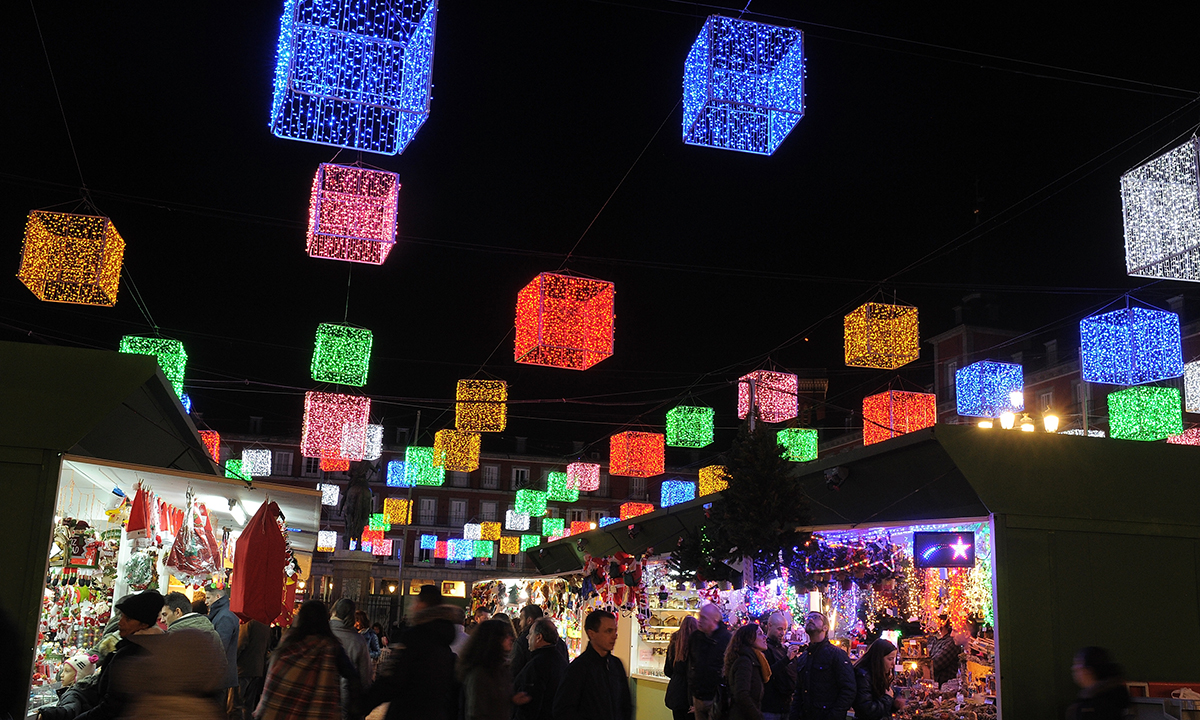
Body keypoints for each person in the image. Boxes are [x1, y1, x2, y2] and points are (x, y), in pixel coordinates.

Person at [364, 585, 459, 720]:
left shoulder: (415, 637)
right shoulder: (444, 640)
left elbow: (393, 678)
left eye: (416, 602)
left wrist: (364, 704)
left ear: (422, 604)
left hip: (407, 712)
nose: (412, 607)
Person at [255, 600, 361, 720]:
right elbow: (352, 676)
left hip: (281, 710)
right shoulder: (330, 647)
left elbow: (273, 679)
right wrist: (354, 709)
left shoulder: (288, 644)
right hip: (317, 712)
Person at [75, 590, 164, 720]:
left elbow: (113, 706)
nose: (120, 622)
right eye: (121, 616)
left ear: (144, 624)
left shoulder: (131, 654)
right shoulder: (153, 647)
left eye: (127, 619)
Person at [552, 609, 632, 720]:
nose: (614, 636)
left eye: (615, 631)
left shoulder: (616, 665)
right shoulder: (578, 669)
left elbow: (626, 704)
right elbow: (563, 710)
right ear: (592, 634)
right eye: (608, 631)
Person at [458, 619, 530, 720]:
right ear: (494, 639)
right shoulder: (480, 673)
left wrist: (512, 700)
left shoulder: (501, 667)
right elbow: (477, 711)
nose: (511, 638)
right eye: (506, 635)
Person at [788, 612, 854, 720]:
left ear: (825, 627)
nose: (810, 620)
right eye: (808, 617)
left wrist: (834, 715)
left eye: (815, 617)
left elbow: (848, 689)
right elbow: (799, 691)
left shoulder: (836, 655)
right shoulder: (804, 657)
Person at [513, 618, 568, 720]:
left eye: (530, 634)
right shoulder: (560, 660)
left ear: (538, 637)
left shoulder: (537, 665)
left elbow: (531, 704)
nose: (527, 637)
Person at [330, 599, 373, 717]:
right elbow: (365, 675)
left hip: (323, 696)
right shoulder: (358, 640)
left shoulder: (324, 634)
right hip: (346, 699)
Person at [688, 604, 732, 720]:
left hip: (716, 698)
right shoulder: (695, 637)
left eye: (704, 618)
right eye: (700, 617)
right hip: (698, 696)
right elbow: (692, 664)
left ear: (714, 620)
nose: (699, 621)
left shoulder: (726, 639)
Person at [207, 582, 242, 719]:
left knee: (216, 711)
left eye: (208, 598)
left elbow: (219, 647)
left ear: (217, 596)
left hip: (219, 675)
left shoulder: (225, 616)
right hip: (220, 674)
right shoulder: (223, 613)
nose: (206, 601)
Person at [1067, 647, 1130, 720]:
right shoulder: (1090, 700)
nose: (1074, 668)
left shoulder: (1101, 705)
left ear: (1089, 670)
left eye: (1078, 663)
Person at [725, 623, 771, 720]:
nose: (764, 637)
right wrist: (757, 716)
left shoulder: (755, 660)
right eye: (759, 634)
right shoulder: (745, 661)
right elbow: (741, 694)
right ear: (749, 639)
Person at [851, 639, 904, 720]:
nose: (893, 664)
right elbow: (867, 710)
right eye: (890, 659)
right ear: (878, 659)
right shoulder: (863, 677)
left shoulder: (879, 674)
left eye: (894, 659)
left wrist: (894, 703)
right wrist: (888, 698)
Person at [38, 655, 100, 720]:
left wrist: (46, 714)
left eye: (67, 671)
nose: (61, 675)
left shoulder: (73, 694)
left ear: (78, 675)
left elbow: (69, 710)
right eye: (63, 670)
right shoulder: (85, 690)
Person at [761, 612, 798, 720]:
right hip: (770, 707)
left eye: (785, 629)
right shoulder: (764, 649)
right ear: (770, 626)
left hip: (786, 706)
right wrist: (786, 659)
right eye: (779, 629)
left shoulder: (784, 649)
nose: (783, 633)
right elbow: (767, 674)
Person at [663, 615, 697, 720]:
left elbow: (667, 670)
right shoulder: (695, 646)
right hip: (689, 696)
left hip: (676, 693)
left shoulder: (673, 644)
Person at [238, 620, 272, 720]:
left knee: (236, 704)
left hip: (243, 668)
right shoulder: (266, 625)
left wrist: (230, 660)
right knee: (249, 706)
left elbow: (240, 644)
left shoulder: (248, 622)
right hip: (257, 669)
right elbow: (267, 646)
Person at [925, 616, 960, 687]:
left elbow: (934, 665)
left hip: (945, 689)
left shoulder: (951, 643)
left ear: (943, 623)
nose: (929, 624)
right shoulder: (931, 640)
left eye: (933, 621)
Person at [511, 605, 544, 676]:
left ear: (529, 620)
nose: (520, 623)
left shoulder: (522, 642)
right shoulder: (558, 642)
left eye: (521, 619)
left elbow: (514, 669)